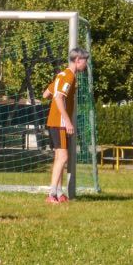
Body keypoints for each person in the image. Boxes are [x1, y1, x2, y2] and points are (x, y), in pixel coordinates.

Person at [44, 47, 89, 204]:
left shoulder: (61, 75)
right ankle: (51, 194)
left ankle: (58, 192)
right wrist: (68, 121)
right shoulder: (69, 76)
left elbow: (46, 94)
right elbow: (58, 98)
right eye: (85, 61)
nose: (86, 65)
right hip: (60, 123)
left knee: (59, 157)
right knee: (63, 157)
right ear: (77, 60)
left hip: (53, 121)